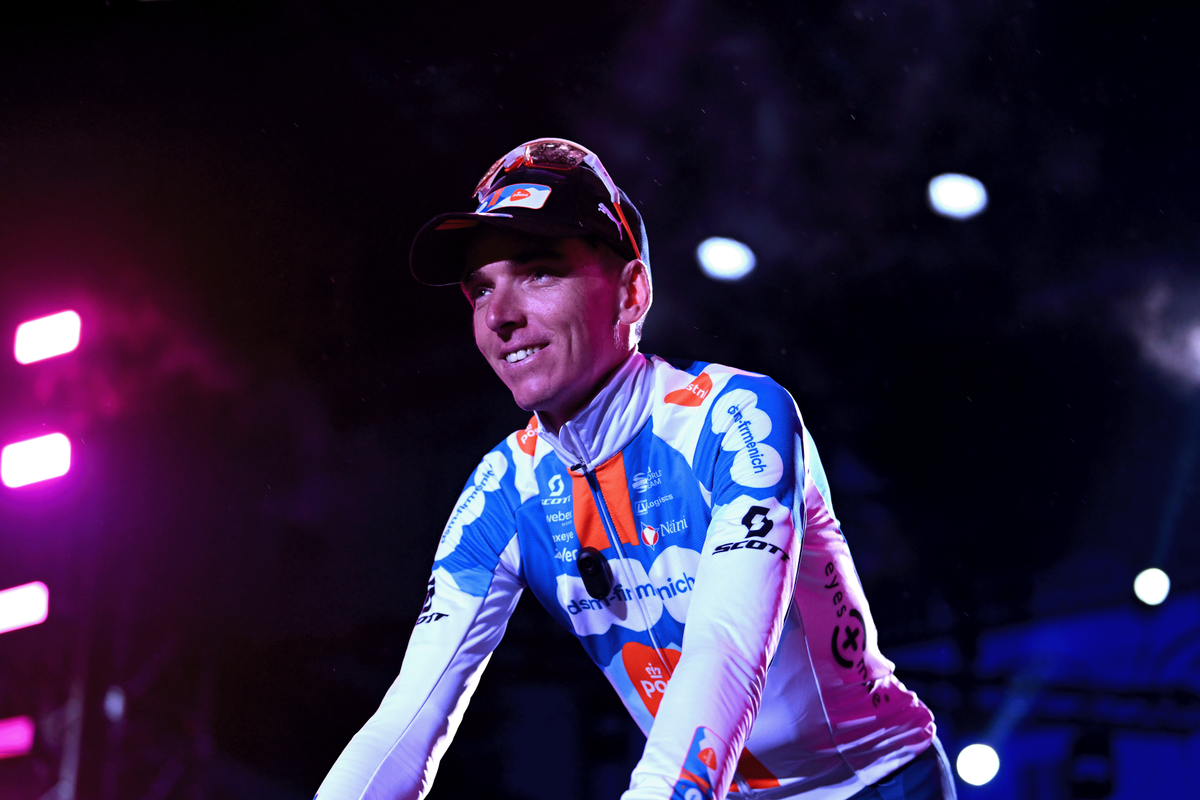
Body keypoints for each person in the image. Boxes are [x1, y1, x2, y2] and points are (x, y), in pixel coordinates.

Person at [316, 139, 956, 800]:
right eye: (480, 288)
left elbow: (726, 651)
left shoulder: (738, 417)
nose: (500, 316)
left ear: (631, 292)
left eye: (537, 271)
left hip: (878, 783)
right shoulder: (502, 492)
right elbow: (405, 720)